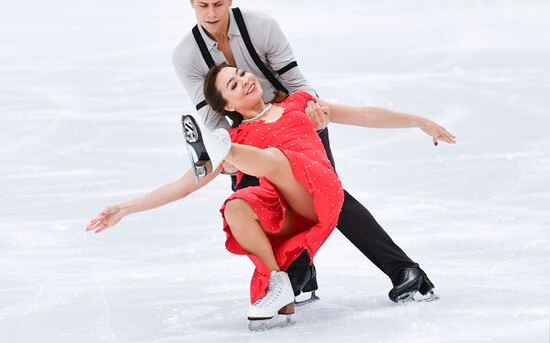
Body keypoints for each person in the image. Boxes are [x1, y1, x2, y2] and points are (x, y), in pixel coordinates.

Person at [86, 62, 454, 328]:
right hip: (288, 210)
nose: (244, 81)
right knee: (235, 206)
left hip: (321, 190)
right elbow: (184, 186)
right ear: (227, 107)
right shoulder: (240, 134)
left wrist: (420, 121)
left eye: (242, 74)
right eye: (233, 85)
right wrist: (124, 208)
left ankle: (218, 156)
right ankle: (279, 280)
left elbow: (363, 115)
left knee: (275, 160)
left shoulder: (299, 105)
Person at [172, 0, 448, 303]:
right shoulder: (186, 56)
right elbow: (213, 118)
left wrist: (311, 119)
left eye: (218, 4)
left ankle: (402, 270)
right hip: (247, 138)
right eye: (203, 6)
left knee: (329, 198)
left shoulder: (261, 27)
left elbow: (298, 85)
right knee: (252, 203)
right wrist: (226, 157)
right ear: (190, 2)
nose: (211, 13)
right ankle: (299, 270)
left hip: (294, 121)